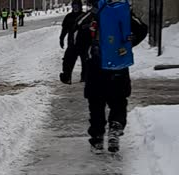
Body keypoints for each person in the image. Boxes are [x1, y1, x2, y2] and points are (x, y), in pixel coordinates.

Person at [73, 0, 147, 152]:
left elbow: (76, 39)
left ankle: (97, 138)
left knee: (96, 104)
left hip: (96, 68)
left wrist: (87, 52)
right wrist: (127, 45)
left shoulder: (88, 17)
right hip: (119, 65)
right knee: (119, 101)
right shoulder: (123, 13)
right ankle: (115, 126)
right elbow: (142, 29)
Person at [59, 0, 86, 84]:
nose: (76, 7)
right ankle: (67, 77)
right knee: (68, 61)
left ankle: (85, 77)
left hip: (84, 43)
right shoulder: (68, 16)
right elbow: (64, 29)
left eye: (77, 5)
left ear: (80, 6)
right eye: (74, 5)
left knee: (86, 61)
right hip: (72, 43)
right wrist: (61, 39)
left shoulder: (85, 16)